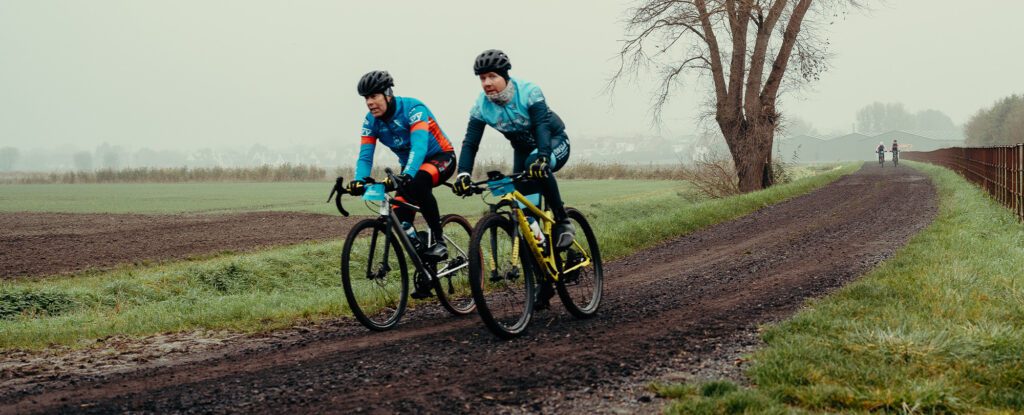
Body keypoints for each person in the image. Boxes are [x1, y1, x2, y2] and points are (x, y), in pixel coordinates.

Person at [452, 49, 575, 249]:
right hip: (523, 150)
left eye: (492, 76)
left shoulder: (528, 91)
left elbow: (542, 126)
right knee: (527, 211)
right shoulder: (481, 106)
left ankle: (563, 221)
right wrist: (463, 173)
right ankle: (541, 252)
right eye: (482, 78)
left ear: (506, 76)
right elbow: (470, 143)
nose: (487, 83)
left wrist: (543, 156)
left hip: (553, 141)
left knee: (532, 165)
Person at [349, 70, 457, 299]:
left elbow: (419, 147)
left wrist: (407, 174)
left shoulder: (414, 109)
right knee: (399, 214)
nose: (369, 102)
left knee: (419, 182)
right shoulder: (371, 122)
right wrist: (359, 181)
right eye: (366, 98)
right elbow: (365, 156)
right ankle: (426, 269)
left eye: (374, 96)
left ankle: (439, 242)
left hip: (440, 158)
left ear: (388, 94)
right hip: (411, 168)